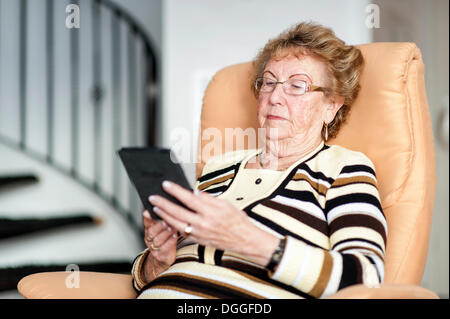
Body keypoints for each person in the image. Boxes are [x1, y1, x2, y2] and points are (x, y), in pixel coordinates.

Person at [131, 21, 387, 299]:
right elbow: (150, 278)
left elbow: (367, 279)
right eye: (269, 82)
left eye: (297, 85)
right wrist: (158, 259)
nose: (275, 97)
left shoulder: (342, 168)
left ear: (331, 106)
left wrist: (250, 240)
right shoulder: (219, 167)